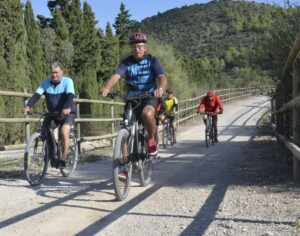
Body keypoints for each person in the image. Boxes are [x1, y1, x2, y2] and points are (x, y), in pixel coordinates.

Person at [100, 32, 167, 156]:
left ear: (145, 48)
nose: (137, 49)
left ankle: (151, 139)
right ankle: (124, 165)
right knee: (125, 129)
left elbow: (162, 77)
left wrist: (161, 89)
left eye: (140, 46)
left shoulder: (152, 60)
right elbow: (116, 76)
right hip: (132, 99)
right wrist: (106, 87)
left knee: (147, 114)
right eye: (134, 47)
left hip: (149, 97)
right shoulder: (126, 62)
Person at [23, 61, 76, 168]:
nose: (54, 75)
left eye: (56, 72)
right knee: (46, 129)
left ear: (62, 72)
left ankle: (63, 159)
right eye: (52, 72)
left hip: (67, 112)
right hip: (53, 114)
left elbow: (70, 96)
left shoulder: (68, 81)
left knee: (64, 132)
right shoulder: (45, 82)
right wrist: (28, 105)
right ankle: (53, 153)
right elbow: (37, 95)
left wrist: (67, 107)